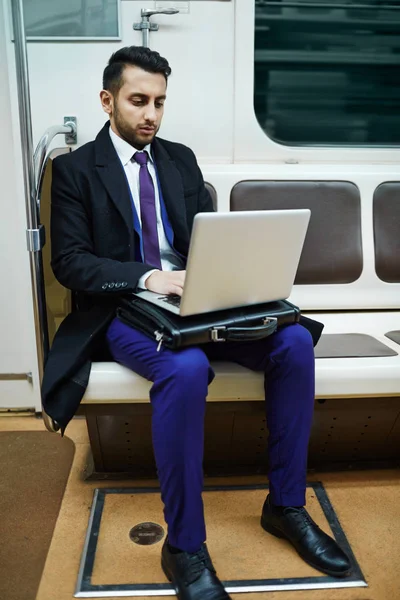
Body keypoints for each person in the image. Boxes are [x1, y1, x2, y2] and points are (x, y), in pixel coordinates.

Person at [49, 46, 351, 599]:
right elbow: (70, 263)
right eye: (139, 101)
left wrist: (227, 278)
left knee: (293, 346)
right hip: (121, 309)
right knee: (185, 371)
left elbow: (198, 240)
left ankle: (285, 506)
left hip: (196, 299)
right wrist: (148, 278)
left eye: (160, 102)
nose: (151, 115)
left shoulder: (179, 159)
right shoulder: (73, 171)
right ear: (107, 100)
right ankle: (184, 544)